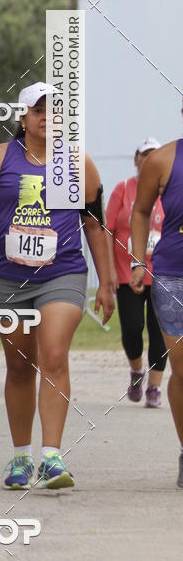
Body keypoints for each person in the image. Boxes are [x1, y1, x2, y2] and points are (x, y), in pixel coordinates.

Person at [0, 82, 114, 491]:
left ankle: (52, 457)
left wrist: (107, 283)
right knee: (19, 366)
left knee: (55, 354)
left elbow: (95, 227)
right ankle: (21, 457)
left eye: (55, 111)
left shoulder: (78, 163)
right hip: (8, 278)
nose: (47, 117)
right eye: (38, 110)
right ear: (23, 117)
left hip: (62, 272)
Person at [131, 122, 183, 488]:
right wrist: (137, 260)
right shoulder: (163, 159)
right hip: (172, 277)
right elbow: (140, 211)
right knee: (182, 369)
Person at [106, 138, 166, 407]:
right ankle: (136, 371)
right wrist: (106, 268)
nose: (150, 160)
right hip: (126, 273)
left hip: (163, 274)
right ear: (136, 159)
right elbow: (107, 230)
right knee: (132, 328)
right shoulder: (123, 189)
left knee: (159, 332)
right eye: (146, 155)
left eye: (156, 155)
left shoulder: (172, 191)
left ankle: (154, 387)